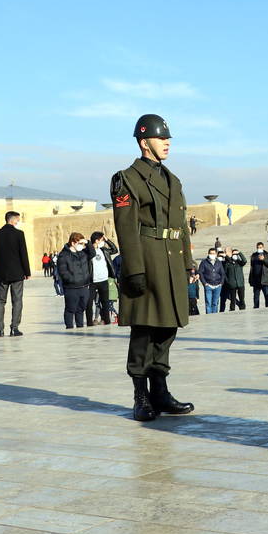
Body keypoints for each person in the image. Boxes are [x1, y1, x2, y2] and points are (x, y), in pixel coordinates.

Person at [110, 113, 196, 422]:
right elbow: (126, 227)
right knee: (144, 331)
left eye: (168, 138)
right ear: (145, 142)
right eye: (162, 138)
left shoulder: (172, 179)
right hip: (147, 260)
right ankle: (141, 395)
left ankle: (160, 391)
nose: (167, 143)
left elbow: (181, 225)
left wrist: (187, 263)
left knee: (166, 329)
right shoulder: (127, 179)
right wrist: (133, 269)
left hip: (171, 261)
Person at [0, 210, 31, 337]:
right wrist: (27, 271)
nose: (18, 222)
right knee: (17, 300)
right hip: (17, 273)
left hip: (1, 274)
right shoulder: (19, 234)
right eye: (17, 220)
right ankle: (14, 328)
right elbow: (23, 253)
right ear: (12, 220)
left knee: (0, 301)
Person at [55, 232, 92, 328]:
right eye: (80, 243)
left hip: (84, 286)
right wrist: (73, 280)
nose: (82, 246)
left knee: (81, 309)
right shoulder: (64, 255)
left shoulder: (83, 253)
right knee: (70, 309)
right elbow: (63, 272)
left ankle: (80, 327)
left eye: (83, 244)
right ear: (72, 243)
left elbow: (93, 253)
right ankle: (69, 328)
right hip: (71, 288)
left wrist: (87, 242)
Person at [86, 232, 117, 326]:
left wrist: (107, 240)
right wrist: (88, 243)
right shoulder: (88, 251)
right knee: (89, 303)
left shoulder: (104, 250)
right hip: (92, 281)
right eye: (102, 239)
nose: (103, 241)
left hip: (103, 280)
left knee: (105, 302)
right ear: (96, 240)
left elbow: (115, 250)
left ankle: (106, 320)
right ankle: (89, 322)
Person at [198, 248, 224, 314]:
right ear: (208, 254)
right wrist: (204, 283)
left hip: (218, 285)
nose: (212, 255)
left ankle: (215, 316)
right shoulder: (204, 262)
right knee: (208, 303)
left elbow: (222, 273)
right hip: (208, 285)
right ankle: (209, 317)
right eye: (211, 253)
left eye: (213, 253)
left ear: (216, 254)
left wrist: (221, 283)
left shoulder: (219, 262)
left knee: (215, 303)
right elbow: (200, 273)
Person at [250, 242, 268, 307]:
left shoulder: (267, 254)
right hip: (256, 280)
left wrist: (264, 259)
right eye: (258, 247)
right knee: (256, 296)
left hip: (265, 279)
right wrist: (251, 279)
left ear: (263, 247)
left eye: (260, 247)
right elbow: (251, 267)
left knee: (267, 295)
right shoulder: (254, 255)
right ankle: (256, 308)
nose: (259, 248)